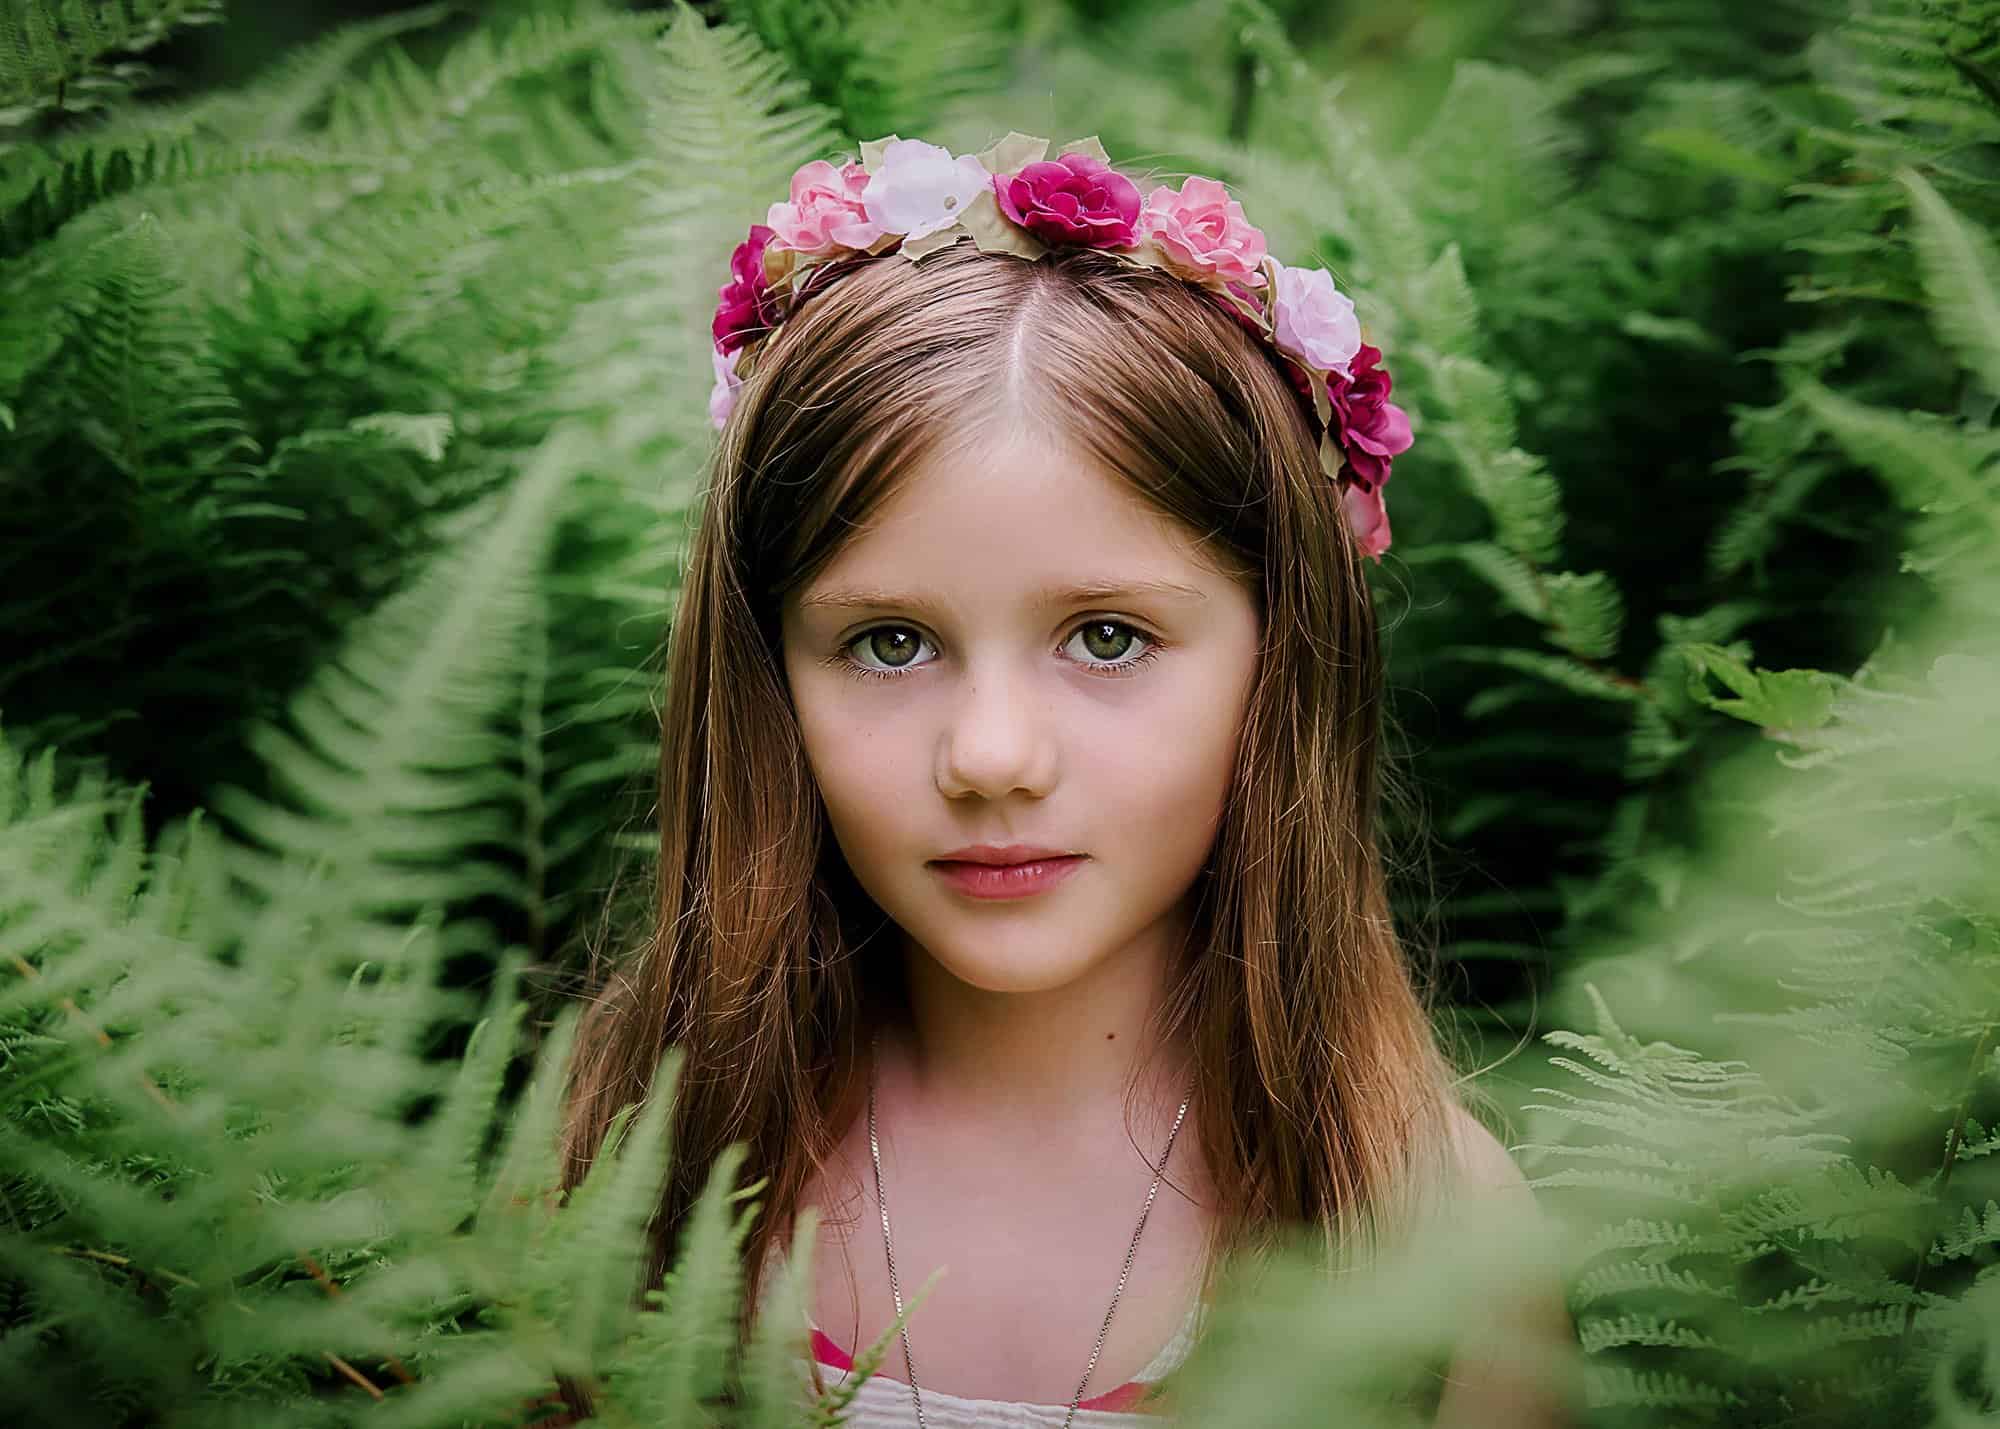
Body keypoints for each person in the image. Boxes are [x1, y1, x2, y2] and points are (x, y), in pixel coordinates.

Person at [554, 133, 1574, 1427]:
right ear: (766, 678)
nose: (989, 756)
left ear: (1285, 658)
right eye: (889, 642)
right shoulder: (632, 1152)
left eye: (1107, 637)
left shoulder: (1426, 1227)